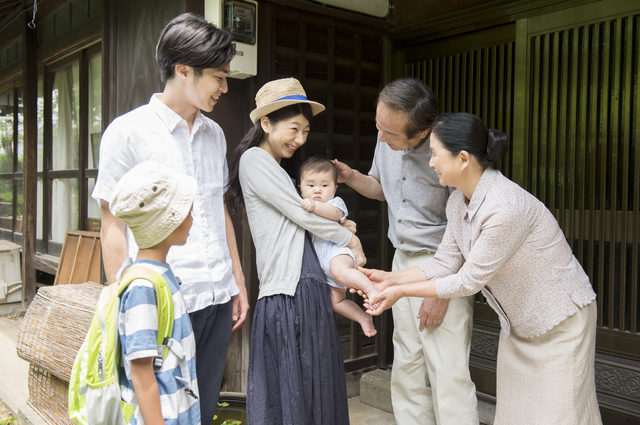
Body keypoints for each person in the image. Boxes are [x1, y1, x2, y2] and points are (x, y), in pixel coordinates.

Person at [365, 112, 602, 425]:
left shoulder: (503, 206)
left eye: (435, 154)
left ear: (462, 159)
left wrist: (398, 291)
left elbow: (467, 281)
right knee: (516, 415)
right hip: (520, 325)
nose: (431, 161)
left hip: (561, 321)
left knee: (562, 416)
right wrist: (389, 278)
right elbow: (444, 263)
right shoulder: (457, 202)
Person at [91, 13, 249, 424]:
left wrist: (237, 280)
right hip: (160, 301)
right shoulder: (127, 132)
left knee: (203, 406)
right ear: (183, 71)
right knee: (155, 411)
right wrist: (119, 300)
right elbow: (112, 222)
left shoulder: (215, 133)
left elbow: (217, 210)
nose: (224, 87)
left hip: (216, 294)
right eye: (218, 76)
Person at [334, 78, 478, 424]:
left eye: (391, 134)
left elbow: (466, 227)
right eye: (378, 127)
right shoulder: (387, 136)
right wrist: (351, 176)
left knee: (447, 367)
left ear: (423, 132)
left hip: (443, 263)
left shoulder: (448, 152)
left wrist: (441, 290)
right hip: (402, 259)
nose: (381, 138)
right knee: (407, 360)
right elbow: (383, 188)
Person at [225, 77, 365, 424]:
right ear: (267, 123)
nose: (300, 139)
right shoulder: (255, 161)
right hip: (291, 288)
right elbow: (305, 215)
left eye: (305, 131)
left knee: (310, 388)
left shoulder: (278, 170)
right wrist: (350, 239)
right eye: (294, 129)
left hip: (303, 282)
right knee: (297, 390)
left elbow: (308, 217)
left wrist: (340, 227)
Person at [109, 161, 200, 425]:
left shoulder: (160, 273)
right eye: (188, 211)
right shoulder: (143, 287)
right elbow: (140, 371)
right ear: (168, 222)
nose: (192, 218)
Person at [299, 157, 379, 337]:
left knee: (341, 272)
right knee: (336, 302)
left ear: (335, 188)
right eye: (310, 186)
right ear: (300, 188)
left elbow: (334, 214)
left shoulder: (334, 203)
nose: (317, 190)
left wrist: (314, 205)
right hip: (321, 264)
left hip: (337, 252)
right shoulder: (300, 205)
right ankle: (361, 317)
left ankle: (372, 290)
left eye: (325, 186)